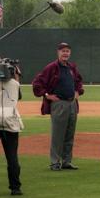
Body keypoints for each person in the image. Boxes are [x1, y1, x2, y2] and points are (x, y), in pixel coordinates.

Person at [32, 43, 84, 171]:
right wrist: (47, 95)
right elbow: (37, 83)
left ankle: (66, 161)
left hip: (72, 103)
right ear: (58, 52)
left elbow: (78, 81)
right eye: (63, 51)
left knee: (69, 134)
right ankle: (55, 162)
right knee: (58, 135)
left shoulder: (72, 67)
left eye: (67, 51)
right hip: (59, 104)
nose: (65, 53)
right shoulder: (52, 67)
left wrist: (78, 91)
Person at [0, 59, 23, 195]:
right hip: (10, 122)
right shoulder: (15, 84)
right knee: (12, 157)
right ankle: (15, 187)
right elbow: (18, 97)